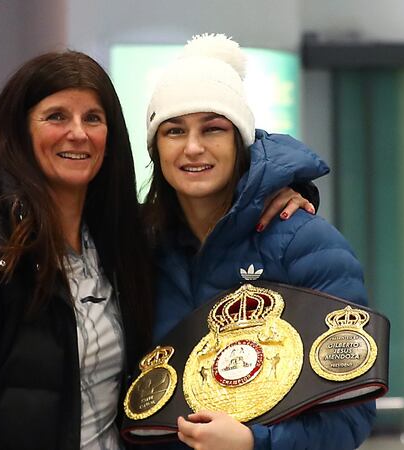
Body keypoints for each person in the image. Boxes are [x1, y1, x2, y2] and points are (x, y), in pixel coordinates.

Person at [0, 49, 315, 450]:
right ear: (19, 131)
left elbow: (215, 209)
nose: (77, 132)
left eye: (92, 118)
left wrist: (280, 190)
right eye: (56, 116)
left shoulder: (127, 242)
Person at [142, 34, 375, 450]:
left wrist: (256, 443)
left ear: (240, 141)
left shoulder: (305, 241)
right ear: (156, 148)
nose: (193, 148)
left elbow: (351, 413)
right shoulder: (141, 249)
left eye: (212, 128)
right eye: (174, 130)